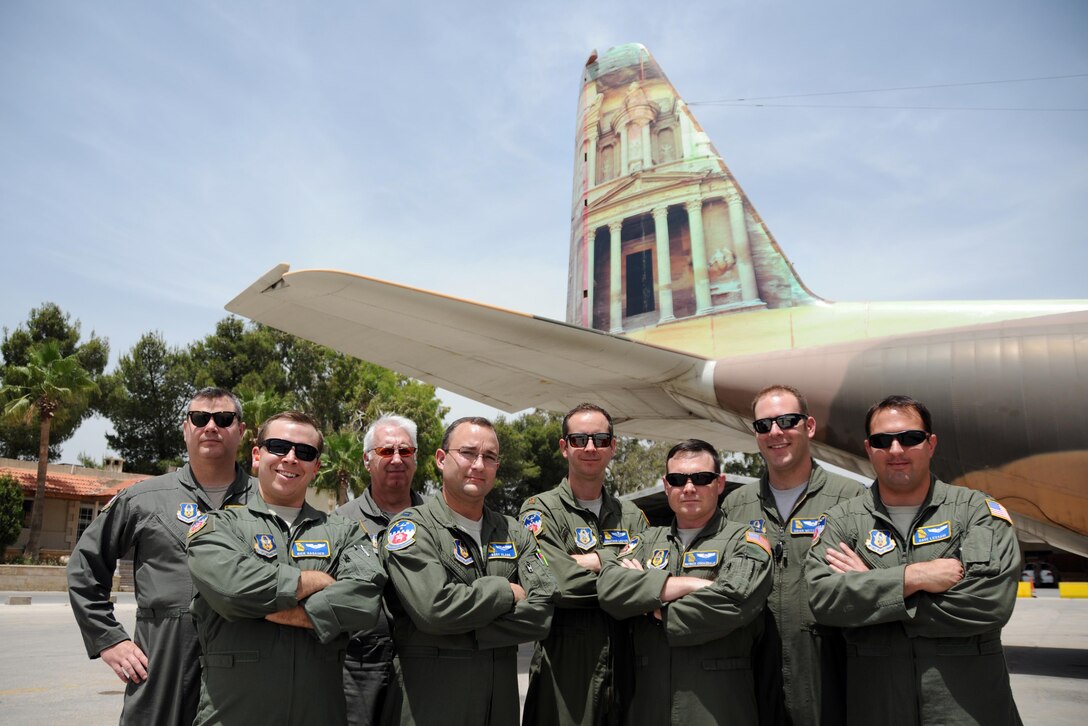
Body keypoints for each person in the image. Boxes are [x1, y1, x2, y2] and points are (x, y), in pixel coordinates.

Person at [806, 395, 1022, 725]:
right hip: (878, 709)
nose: (896, 450)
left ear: (931, 443)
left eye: (910, 438)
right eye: (882, 441)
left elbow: (988, 603)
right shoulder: (841, 521)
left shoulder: (976, 512)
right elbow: (824, 600)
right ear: (868, 448)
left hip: (968, 709)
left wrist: (873, 591)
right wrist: (911, 578)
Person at [67, 387, 256, 726]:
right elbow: (85, 566)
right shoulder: (144, 499)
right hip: (164, 662)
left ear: (240, 431)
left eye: (224, 419)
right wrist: (108, 639)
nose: (211, 426)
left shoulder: (267, 501)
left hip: (248, 664)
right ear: (186, 428)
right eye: (200, 418)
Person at [186, 410, 386, 725]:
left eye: (305, 452)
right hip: (233, 716)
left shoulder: (345, 532)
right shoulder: (219, 526)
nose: (291, 458)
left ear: (316, 467)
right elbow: (232, 589)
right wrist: (309, 581)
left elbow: (365, 601)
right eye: (278, 446)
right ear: (256, 454)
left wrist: (276, 609)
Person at [380, 416, 556, 725]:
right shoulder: (413, 528)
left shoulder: (514, 532)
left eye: (489, 457)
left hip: (498, 705)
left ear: (497, 468)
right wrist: (506, 592)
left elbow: (542, 613)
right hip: (432, 703)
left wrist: (459, 627)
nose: (478, 464)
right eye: (468, 452)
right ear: (440, 459)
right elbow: (433, 609)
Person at [597, 439, 773, 725]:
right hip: (647, 706)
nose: (689, 488)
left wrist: (652, 605)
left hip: (718, 707)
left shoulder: (745, 542)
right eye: (678, 480)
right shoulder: (646, 540)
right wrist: (690, 585)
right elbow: (609, 589)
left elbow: (735, 599)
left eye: (702, 478)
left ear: (719, 483)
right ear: (667, 486)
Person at [721, 384, 862, 725]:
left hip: (830, 672)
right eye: (763, 425)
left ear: (809, 426)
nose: (775, 432)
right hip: (754, 673)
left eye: (787, 421)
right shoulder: (734, 506)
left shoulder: (853, 499)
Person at [518, 402, 649, 726]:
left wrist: (592, 561)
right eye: (579, 440)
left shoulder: (632, 516)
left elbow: (652, 583)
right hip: (563, 671)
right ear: (565, 447)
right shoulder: (540, 511)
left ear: (612, 447)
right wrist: (619, 566)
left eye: (600, 439)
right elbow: (557, 584)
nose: (590, 447)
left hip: (626, 670)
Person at [335, 414, 425, 726]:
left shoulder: (437, 520)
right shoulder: (338, 522)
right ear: (367, 460)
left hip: (423, 663)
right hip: (358, 666)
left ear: (416, 458)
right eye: (387, 451)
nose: (397, 459)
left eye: (406, 451)